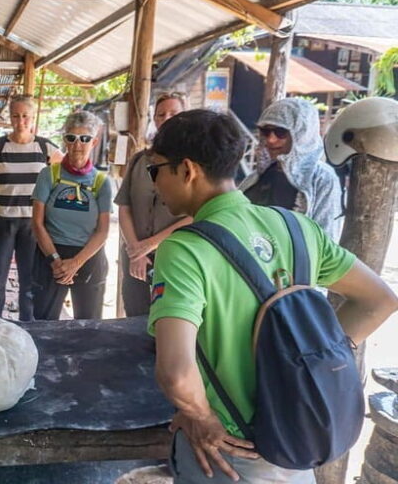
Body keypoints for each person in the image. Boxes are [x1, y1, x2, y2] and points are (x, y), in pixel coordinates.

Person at [146, 109, 398, 483]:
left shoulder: (185, 249)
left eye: (155, 170)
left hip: (230, 455)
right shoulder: (297, 227)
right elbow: (381, 300)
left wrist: (202, 418)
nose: (154, 184)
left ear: (187, 170)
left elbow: (177, 374)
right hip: (298, 441)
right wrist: (316, 358)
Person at [0, 95, 64, 320]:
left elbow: (61, 186)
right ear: (10, 117)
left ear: (32, 118)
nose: (20, 121)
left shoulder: (47, 148)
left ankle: (27, 331)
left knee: (30, 283)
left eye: (25, 116)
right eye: (16, 116)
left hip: (33, 225)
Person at [115, 91, 192, 317]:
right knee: (134, 317)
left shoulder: (195, 162)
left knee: (171, 320)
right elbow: (124, 206)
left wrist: (151, 244)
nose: (167, 118)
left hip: (175, 255)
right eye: (161, 114)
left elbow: (197, 214)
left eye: (174, 113)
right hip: (134, 254)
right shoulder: (140, 160)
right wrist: (136, 252)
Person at [30, 111, 113, 320]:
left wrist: (75, 263)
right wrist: (56, 261)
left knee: (89, 327)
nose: (77, 144)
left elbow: (103, 231)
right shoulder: (48, 175)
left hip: (88, 258)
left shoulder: (102, 182)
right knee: (44, 324)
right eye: (71, 138)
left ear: (94, 142)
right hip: (50, 255)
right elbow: (37, 224)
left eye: (84, 139)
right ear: (64, 140)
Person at [241, 97, 343, 240]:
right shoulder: (257, 176)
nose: (271, 139)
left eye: (280, 132)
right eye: (265, 131)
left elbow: (327, 241)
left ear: (302, 133)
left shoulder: (322, 179)